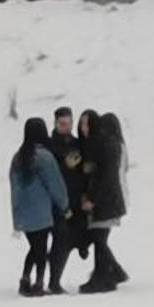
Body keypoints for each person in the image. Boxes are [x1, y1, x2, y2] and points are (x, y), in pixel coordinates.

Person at [8, 117, 69, 297]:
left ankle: (25, 279)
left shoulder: (18, 157)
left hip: (22, 211)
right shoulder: (44, 157)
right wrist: (64, 205)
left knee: (34, 247)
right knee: (40, 248)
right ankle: (39, 282)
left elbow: (13, 185)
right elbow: (55, 184)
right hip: (41, 211)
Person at [79, 111, 129, 294]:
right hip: (108, 199)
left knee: (99, 238)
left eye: (86, 124)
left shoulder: (105, 145)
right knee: (99, 238)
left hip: (106, 201)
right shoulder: (106, 144)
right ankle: (112, 272)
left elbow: (106, 176)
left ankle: (106, 276)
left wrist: (93, 199)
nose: (83, 128)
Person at [49, 107, 89, 289]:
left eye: (68, 124)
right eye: (62, 124)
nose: (65, 127)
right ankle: (54, 280)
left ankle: (82, 246)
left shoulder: (78, 143)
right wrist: (65, 165)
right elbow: (49, 173)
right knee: (61, 239)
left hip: (76, 198)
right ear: (55, 123)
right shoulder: (50, 145)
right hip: (57, 201)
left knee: (79, 234)